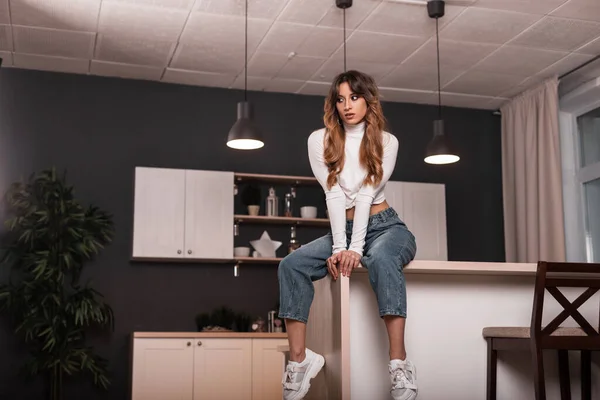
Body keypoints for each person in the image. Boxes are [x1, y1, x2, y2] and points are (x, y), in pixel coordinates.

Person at [277, 69, 418, 400]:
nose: (347, 106)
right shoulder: (320, 140)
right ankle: (300, 361)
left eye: (354, 97)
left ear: (368, 100)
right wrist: (341, 245)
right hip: (345, 227)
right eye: (340, 99)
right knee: (290, 265)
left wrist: (353, 249)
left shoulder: (386, 141)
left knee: (382, 259)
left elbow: (368, 193)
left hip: (385, 226)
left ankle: (399, 364)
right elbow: (335, 195)